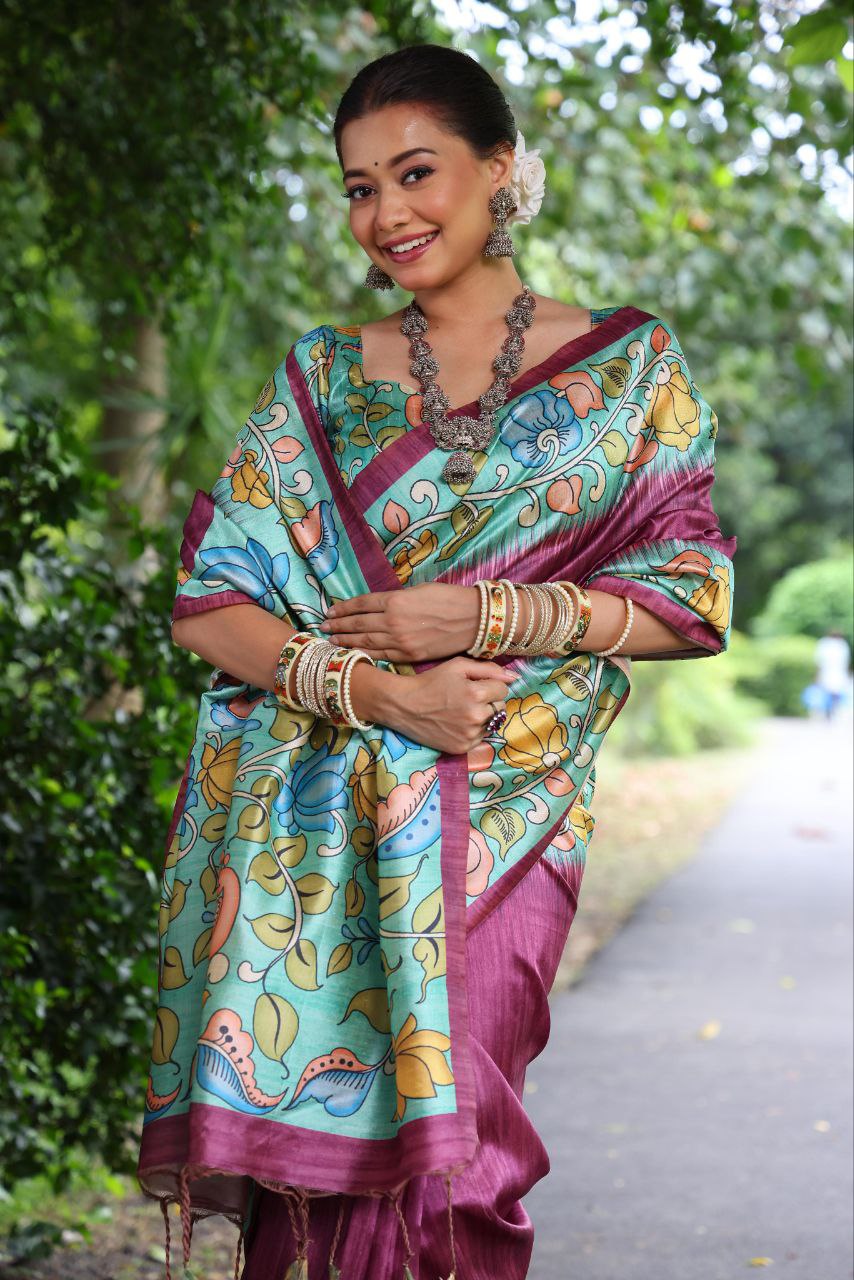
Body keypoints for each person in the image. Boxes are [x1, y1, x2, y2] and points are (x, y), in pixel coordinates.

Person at [136, 43, 737, 1280]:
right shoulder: (322, 375)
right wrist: (385, 694)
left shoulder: (628, 368)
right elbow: (210, 605)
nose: (386, 214)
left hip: (510, 813)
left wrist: (479, 611)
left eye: (415, 173)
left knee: (461, 1166)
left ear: (498, 168)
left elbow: (685, 596)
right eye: (359, 188)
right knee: (321, 1189)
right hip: (325, 838)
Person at [814, 628, 851, 720]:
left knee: (827, 691)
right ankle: (832, 709)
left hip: (829, 671)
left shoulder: (824, 643)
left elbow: (819, 661)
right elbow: (846, 662)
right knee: (835, 692)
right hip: (836, 672)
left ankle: (829, 710)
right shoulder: (842, 645)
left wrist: (817, 674)